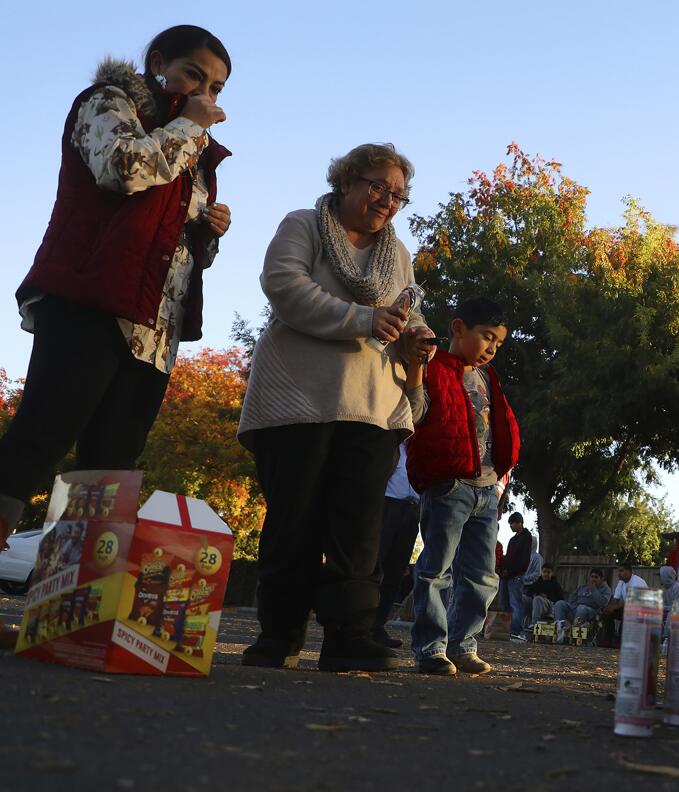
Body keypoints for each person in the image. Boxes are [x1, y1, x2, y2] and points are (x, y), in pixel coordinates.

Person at [0, 25, 234, 551]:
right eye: (195, 74)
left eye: (216, 88)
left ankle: (70, 619)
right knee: (38, 441)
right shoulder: (108, 102)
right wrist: (188, 127)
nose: (205, 94)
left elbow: (178, 249)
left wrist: (208, 230)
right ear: (158, 62)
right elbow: (122, 170)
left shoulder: (191, 146)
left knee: (109, 472)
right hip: (90, 299)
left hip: (153, 329)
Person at [237, 143, 435, 672]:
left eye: (397, 194)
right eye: (376, 186)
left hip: (372, 406)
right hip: (295, 399)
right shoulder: (302, 224)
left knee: (359, 527)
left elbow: (407, 313)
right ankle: (278, 636)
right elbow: (284, 287)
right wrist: (364, 321)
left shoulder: (399, 255)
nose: (386, 200)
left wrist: (418, 338)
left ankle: (349, 636)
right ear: (346, 180)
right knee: (293, 519)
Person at [406, 297, 520, 676]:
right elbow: (416, 414)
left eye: (498, 343)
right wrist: (415, 371)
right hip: (449, 485)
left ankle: (462, 644)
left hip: (487, 490)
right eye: (487, 337)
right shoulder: (433, 366)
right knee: (436, 568)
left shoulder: (489, 379)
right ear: (458, 328)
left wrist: (501, 480)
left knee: (482, 574)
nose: (491, 348)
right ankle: (430, 648)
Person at [371, 444, 421, 649]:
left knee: (395, 573)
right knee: (375, 565)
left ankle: (377, 626)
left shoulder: (421, 449)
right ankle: (360, 624)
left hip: (411, 510)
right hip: (387, 505)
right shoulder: (391, 444)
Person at [500, 512, 533, 639]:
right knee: (505, 604)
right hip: (506, 575)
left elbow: (523, 559)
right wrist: (503, 569)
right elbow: (508, 557)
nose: (511, 526)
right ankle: (505, 629)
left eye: (512, 523)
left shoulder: (526, 537)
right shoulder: (513, 539)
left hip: (517, 575)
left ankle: (515, 630)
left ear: (519, 522)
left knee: (515, 603)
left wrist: (511, 570)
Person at [600, 563, 649, 645]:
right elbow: (615, 599)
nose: (619, 574)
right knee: (607, 614)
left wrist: (613, 608)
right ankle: (608, 640)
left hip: (642, 611)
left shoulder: (637, 582)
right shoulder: (621, 582)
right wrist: (608, 608)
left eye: (621, 571)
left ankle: (620, 641)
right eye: (618, 571)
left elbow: (631, 602)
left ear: (629, 572)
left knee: (626, 613)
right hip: (629, 608)